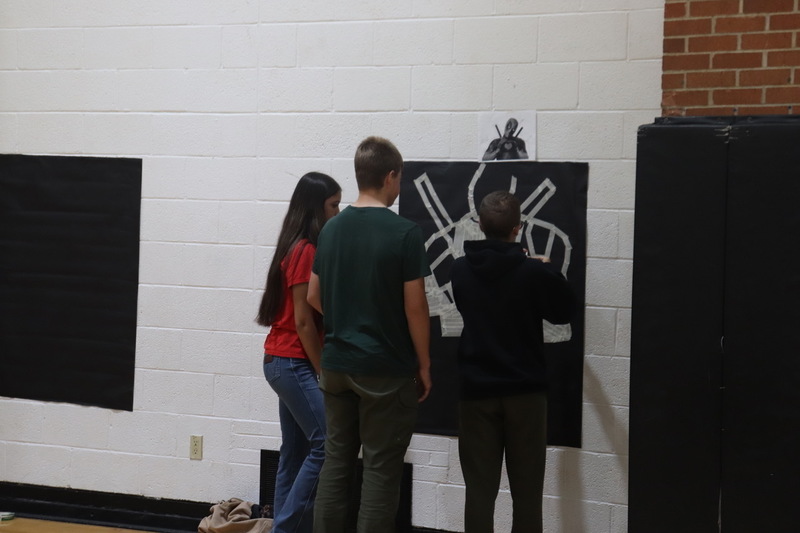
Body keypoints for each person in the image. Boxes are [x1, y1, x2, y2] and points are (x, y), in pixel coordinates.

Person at [307, 136, 432, 533]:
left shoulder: (331, 230)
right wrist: (424, 364)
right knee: (380, 468)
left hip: (337, 364)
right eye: (400, 179)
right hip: (384, 368)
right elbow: (416, 308)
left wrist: (349, 316)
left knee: (336, 461)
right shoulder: (405, 233)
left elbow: (313, 295)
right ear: (390, 176)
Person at [449, 190, 574, 533]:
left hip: (476, 392)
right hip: (525, 393)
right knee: (528, 495)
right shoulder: (532, 273)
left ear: (479, 225)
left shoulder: (459, 270)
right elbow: (563, 313)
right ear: (517, 229)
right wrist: (549, 271)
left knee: (479, 494)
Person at [256, 172, 342, 533]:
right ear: (315, 209)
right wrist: (323, 371)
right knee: (326, 443)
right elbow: (304, 322)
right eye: (333, 206)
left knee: (294, 451)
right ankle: (284, 529)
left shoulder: (295, 245)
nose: (338, 213)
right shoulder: (305, 250)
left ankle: (281, 525)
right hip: (292, 363)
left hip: (281, 362)